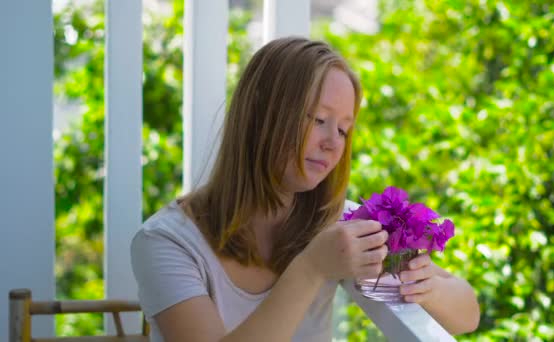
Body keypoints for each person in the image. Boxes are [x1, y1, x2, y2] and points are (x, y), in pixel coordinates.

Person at [130, 37, 479, 342]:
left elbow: (467, 315)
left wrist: (426, 287)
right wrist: (311, 267)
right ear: (261, 115)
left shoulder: (333, 224)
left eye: (343, 130)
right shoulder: (166, 243)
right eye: (318, 119)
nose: (332, 143)